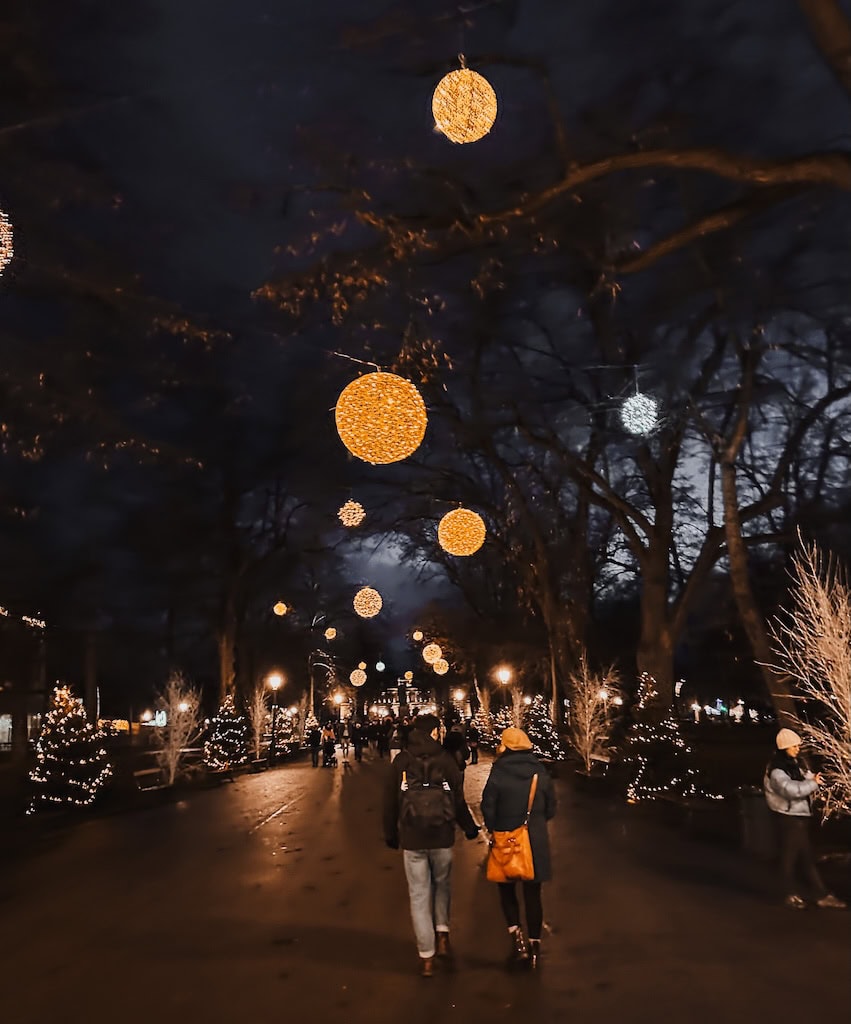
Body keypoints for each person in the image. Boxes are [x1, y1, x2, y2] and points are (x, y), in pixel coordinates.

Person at [383, 713, 480, 977]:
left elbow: (390, 799)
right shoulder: (445, 760)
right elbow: (458, 800)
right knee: (442, 885)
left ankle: (426, 955)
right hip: (442, 835)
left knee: (418, 894)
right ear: (433, 732)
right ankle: (443, 935)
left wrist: (391, 833)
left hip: (413, 837)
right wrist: (469, 829)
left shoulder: (402, 760)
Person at [481, 727, 557, 969]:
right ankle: (535, 946)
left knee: (507, 891)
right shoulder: (540, 772)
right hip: (534, 841)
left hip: (506, 839)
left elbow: (487, 806)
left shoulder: (498, 771)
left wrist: (494, 828)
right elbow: (551, 808)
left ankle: (518, 942)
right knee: (533, 894)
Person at [764, 728, 846, 910]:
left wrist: (816, 778)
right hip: (790, 818)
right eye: (794, 746)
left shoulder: (792, 765)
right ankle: (813, 894)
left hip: (798, 817)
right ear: (784, 747)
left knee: (798, 858)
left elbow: (804, 778)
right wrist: (812, 783)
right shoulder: (777, 771)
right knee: (794, 858)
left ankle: (804, 894)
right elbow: (791, 790)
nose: (797, 748)